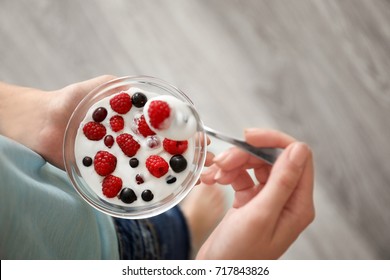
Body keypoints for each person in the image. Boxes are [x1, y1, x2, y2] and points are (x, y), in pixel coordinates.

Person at [0, 76, 314, 260]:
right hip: (107, 254)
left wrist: (40, 118)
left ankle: (182, 226)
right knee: (165, 238)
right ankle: (185, 232)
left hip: (51, 179)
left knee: (160, 214)